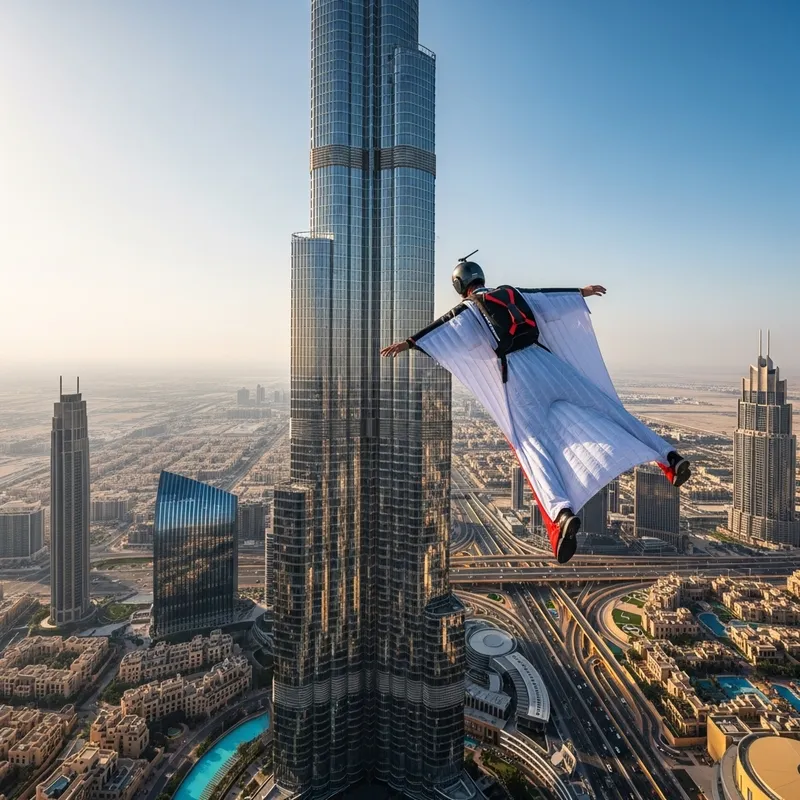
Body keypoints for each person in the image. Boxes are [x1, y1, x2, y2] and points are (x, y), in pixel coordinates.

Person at [381, 254, 691, 564]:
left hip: (519, 378)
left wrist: (408, 344)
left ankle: (561, 515)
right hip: (551, 365)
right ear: (481, 276)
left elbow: (443, 329)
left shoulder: (468, 308)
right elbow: (546, 297)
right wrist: (581, 292)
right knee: (610, 410)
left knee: (532, 448)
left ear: (459, 286)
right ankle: (669, 458)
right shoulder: (510, 292)